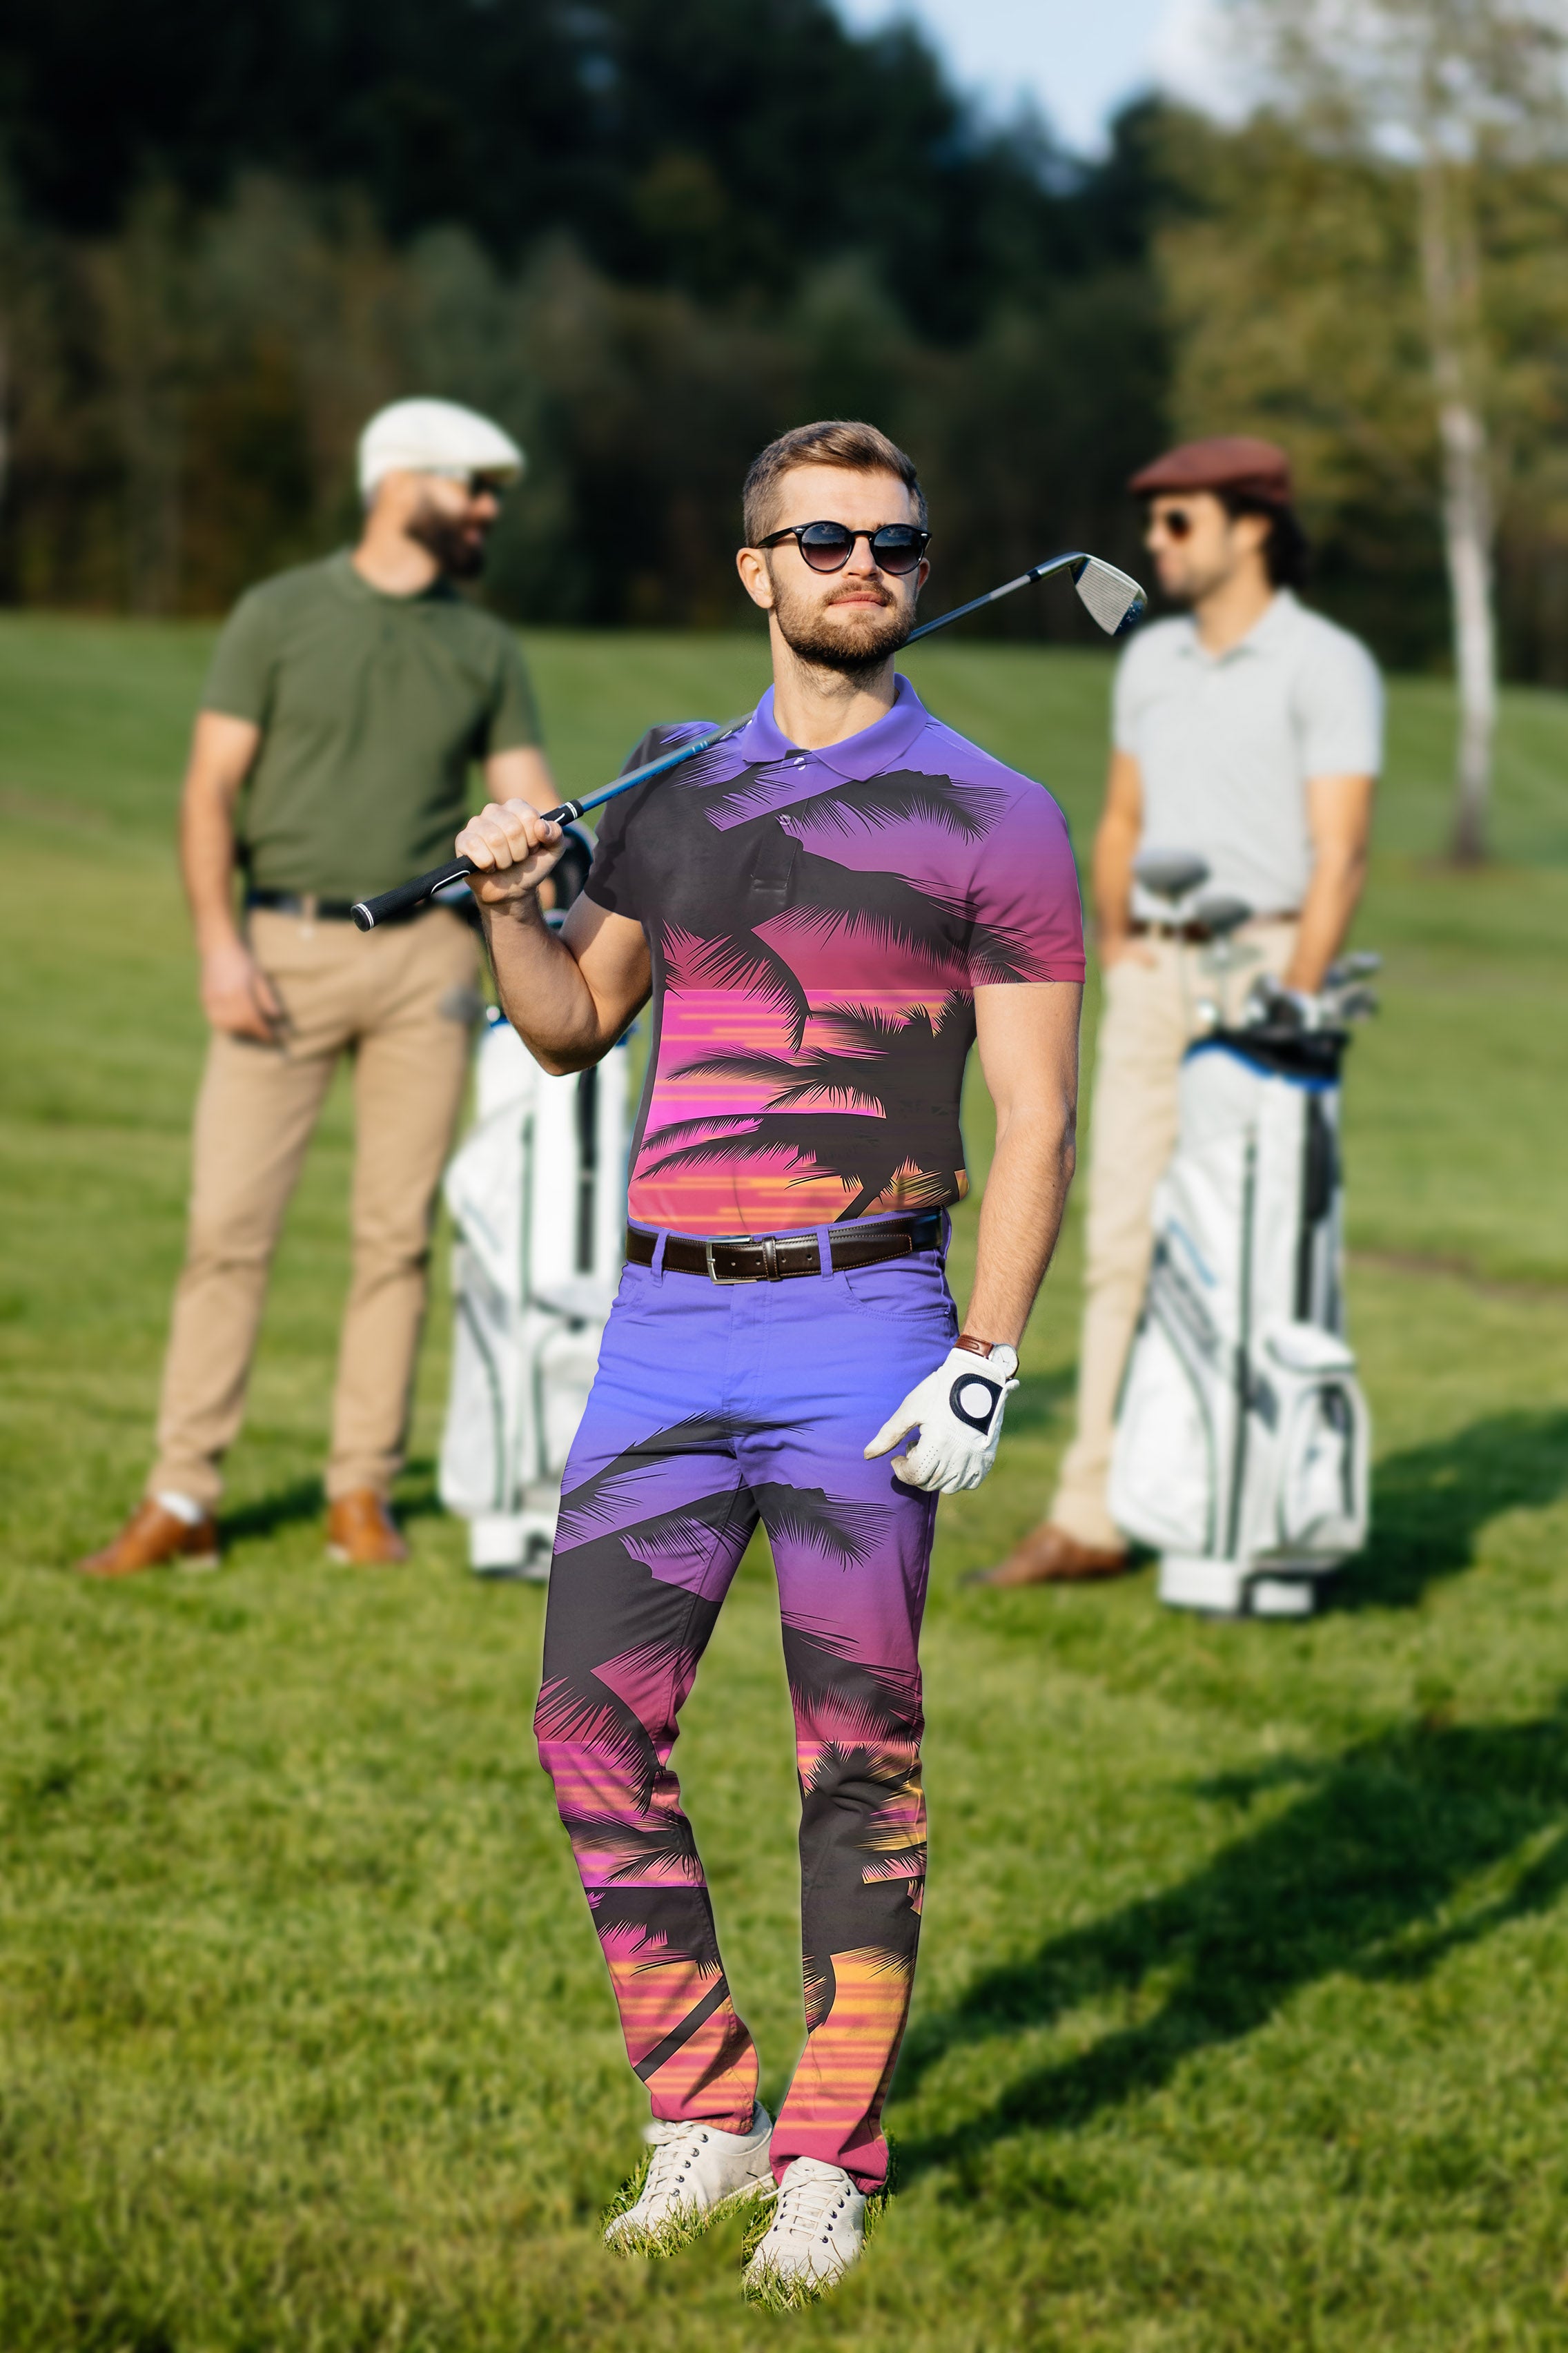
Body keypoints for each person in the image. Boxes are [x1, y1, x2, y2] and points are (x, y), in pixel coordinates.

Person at [453, 420, 1084, 2300]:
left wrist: (988, 1352)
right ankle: (701, 2105)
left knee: (854, 1760)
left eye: (893, 539)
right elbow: (571, 1026)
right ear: (760, 574)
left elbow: (1040, 1118)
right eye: (823, 539)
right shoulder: (669, 793)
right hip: (660, 1324)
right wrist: (507, 899)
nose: (863, 564)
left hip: (865, 1322)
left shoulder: (999, 812)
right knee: (591, 1719)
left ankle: (829, 2152)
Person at [79, 398, 557, 1577]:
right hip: (278, 950)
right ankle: (183, 1493)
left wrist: (554, 880)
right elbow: (208, 792)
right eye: (473, 486)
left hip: (430, 966)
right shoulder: (277, 615)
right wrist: (217, 947)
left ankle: (360, 1496)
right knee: (226, 1231)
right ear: (401, 484)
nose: (490, 508)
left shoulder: (484, 645)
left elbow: (534, 801)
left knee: (394, 1238)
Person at [980, 433, 1382, 1589]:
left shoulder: (1326, 662)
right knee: (1117, 1244)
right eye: (1150, 522)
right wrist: (1121, 941)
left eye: (1179, 522)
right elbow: (1120, 820)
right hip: (1154, 973)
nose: (1155, 543)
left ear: (1253, 525)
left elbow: (1342, 854)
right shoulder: (1149, 661)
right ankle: (1094, 1511)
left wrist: (1294, 1003)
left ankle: (1246, 1507)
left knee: (1251, 1250)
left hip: (1266, 972)